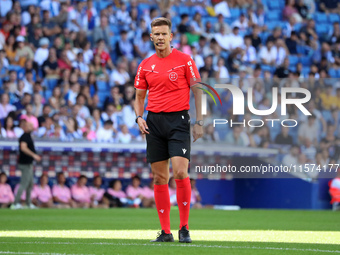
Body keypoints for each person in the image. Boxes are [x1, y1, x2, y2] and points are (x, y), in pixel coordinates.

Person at [134, 17, 203, 243]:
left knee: (181, 172)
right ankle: (166, 232)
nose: (160, 37)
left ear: (171, 36)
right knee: (159, 177)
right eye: (157, 34)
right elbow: (139, 97)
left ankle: (184, 227)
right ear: (151, 36)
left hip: (178, 122)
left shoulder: (185, 60)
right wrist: (138, 117)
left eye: (164, 34)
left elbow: (198, 91)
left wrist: (199, 121)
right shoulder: (145, 65)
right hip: (153, 122)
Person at [11, 122, 41, 209]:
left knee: (30, 184)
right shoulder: (24, 136)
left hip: (29, 163)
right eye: (29, 125)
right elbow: (23, 148)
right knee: (24, 184)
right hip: (25, 164)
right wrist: (34, 155)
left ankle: (28, 203)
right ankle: (15, 203)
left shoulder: (29, 136)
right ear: (24, 127)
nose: (32, 127)